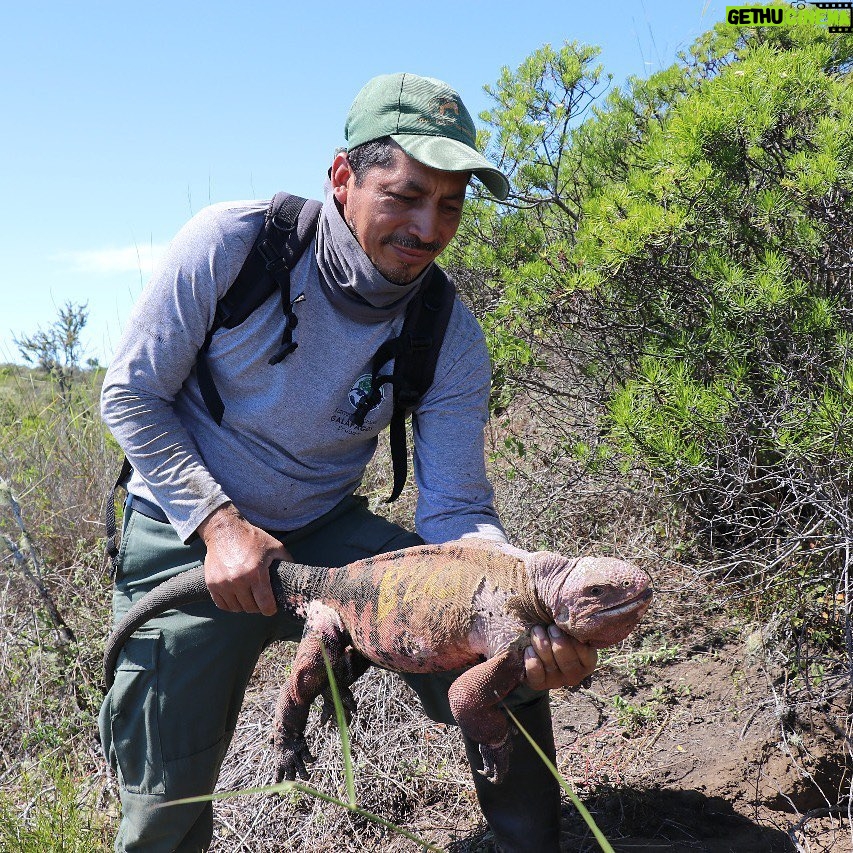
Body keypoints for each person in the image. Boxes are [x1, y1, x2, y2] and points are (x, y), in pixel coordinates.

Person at [99, 72, 597, 853]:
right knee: (166, 791)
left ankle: (528, 843)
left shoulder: (447, 331)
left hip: (327, 531)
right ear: (342, 178)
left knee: (515, 647)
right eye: (404, 196)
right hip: (187, 528)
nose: (429, 228)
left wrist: (516, 580)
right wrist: (219, 525)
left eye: (451, 205)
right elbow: (129, 396)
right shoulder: (235, 245)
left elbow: (455, 507)